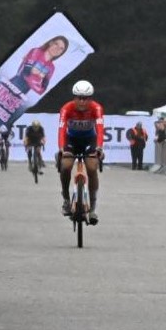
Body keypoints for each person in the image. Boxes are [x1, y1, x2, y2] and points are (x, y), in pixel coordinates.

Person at [58, 80, 105, 224]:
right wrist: (61, 149)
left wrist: (99, 148)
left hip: (89, 140)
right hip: (71, 140)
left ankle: (92, 209)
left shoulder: (96, 108)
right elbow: (61, 129)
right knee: (65, 166)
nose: (82, 101)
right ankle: (66, 199)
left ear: (90, 99)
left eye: (86, 98)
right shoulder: (67, 108)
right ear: (74, 97)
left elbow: (100, 129)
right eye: (79, 97)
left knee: (91, 168)